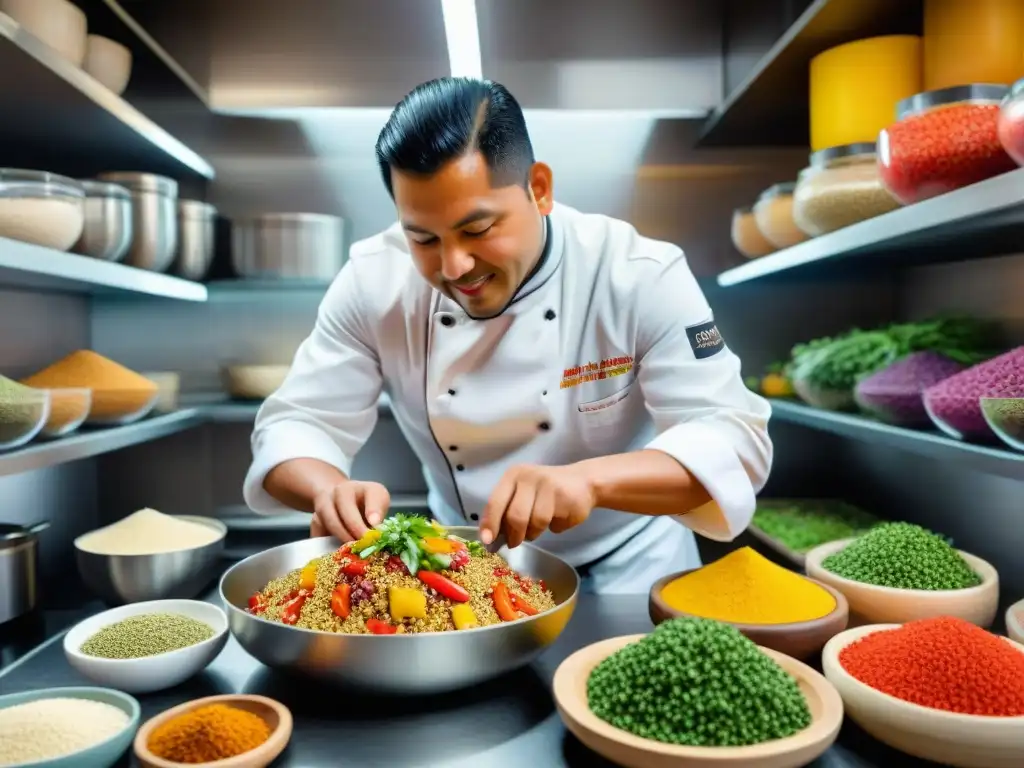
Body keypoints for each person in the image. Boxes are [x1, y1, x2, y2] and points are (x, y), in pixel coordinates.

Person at [243, 77, 772, 594]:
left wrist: (591, 480)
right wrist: (329, 489)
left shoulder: (637, 273)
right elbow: (296, 423)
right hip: (464, 575)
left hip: (631, 574)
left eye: (477, 230)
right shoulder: (373, 281)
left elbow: (734, 442)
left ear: (538, 189)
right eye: (422, 237)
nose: (454, 266)